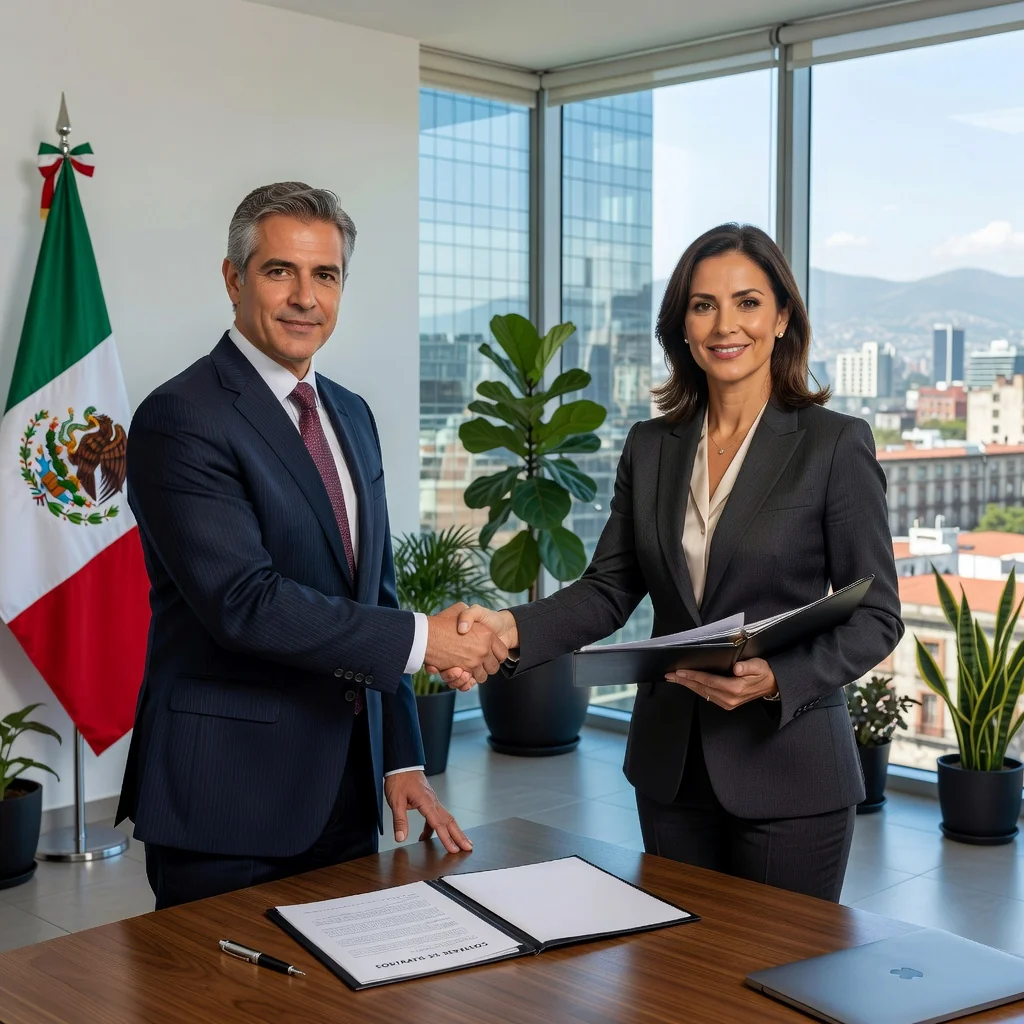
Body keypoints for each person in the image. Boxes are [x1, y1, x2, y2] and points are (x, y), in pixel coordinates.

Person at [441, 223, 903, 902]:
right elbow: (609, 587)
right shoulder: (652, 445)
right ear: (681, 326)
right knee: (679, 986)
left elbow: (877, 615)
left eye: (747, 302)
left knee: (779, 991)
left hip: (790, 769)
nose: (725, 324)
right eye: (703, 304)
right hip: (671, 767)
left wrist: (779, 676)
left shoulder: (834, 445)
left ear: (782, 318)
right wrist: (505, 630)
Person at [116, 182, 506, 909]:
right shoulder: (180, 417)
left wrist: (399, 760)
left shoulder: (351, 415)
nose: (305, 297)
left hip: (346, 792)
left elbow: (374, 592)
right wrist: (429, 642)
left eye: (324, 275)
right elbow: (246, 603)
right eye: (279, 271)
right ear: (234, 279)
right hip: (228, 799)